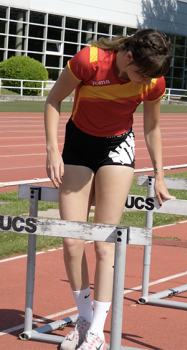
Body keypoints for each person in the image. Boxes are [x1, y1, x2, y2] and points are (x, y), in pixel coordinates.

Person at [44, 29, 175, 350]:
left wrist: (159, 173)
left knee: (104, 244)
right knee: (72, 240)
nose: (145, 84)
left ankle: (97, 331)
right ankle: (83, 318)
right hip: (78, 146)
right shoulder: (88, 61)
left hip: (117, 148)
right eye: (140, 76)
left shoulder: (154, 82)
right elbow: (54, 99)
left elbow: (152, 125)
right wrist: (51, 149)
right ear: (128, 56)